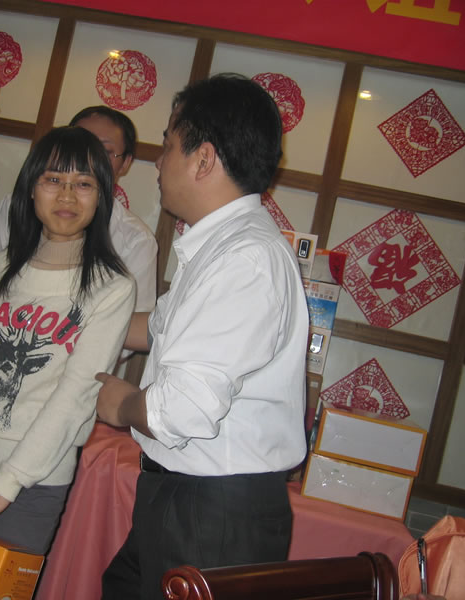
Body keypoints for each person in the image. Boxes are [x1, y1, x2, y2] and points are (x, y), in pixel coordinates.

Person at [95, 73, 309, 599]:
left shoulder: (245, 258)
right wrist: (71, 320)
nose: (158, 162)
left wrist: (120, 404)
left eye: (168, 144)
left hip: (212, 511)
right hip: (189, 498)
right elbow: (157, 329)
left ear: (204, 159)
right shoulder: (222, 245)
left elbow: (182, 410)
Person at [0, 126, 136, 555]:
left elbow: (76, 395)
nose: (67, 196)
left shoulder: (112, 287)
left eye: (83, 183)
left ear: (102, 197)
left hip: (35, 481)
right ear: (30, 189)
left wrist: (10, 481)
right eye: (53, 179)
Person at [0, 105, 157, 313]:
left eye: (104, 151)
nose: (86, 158)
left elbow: (134, 317)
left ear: (125, 163)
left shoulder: (136, 240)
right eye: (78, 145)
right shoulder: (14, 208)